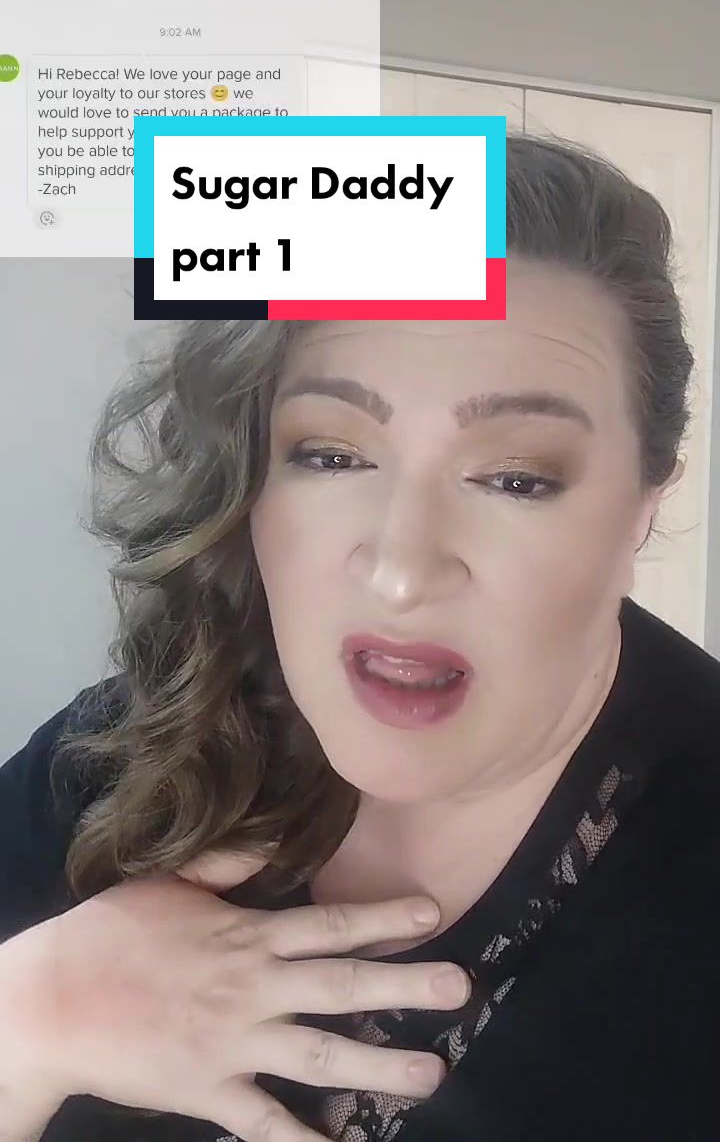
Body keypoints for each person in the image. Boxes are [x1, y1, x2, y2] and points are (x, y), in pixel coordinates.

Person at [1, 134, 719, 1142]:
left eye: (516, 477)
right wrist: (32, 1017)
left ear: (646, 503)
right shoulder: (125, 742)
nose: (400, 570)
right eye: (332, 454)